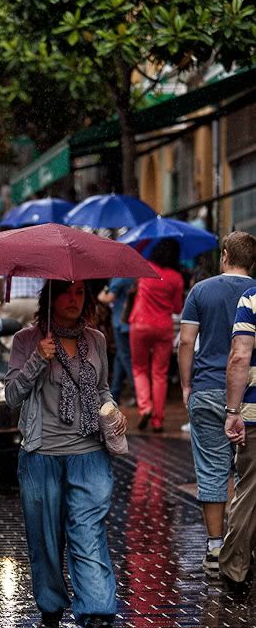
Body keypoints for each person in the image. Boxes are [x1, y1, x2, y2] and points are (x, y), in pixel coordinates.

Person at [5, 280, 126, 628]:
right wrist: (38, 359)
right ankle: (51, 606)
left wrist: (112, 409)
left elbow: (102, 389)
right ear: (51, 298)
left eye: (79, 294)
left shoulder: (96, 340)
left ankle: (97, 614)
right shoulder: (27, 341)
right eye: (65, 293)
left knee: (88, 532)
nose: (73, 300)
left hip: (89, 453)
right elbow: (12, 396)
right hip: (42, 455)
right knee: (45, 538)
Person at [178, 231, 256, 576]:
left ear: (224, 254)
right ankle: (242, 546)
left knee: (212, 469)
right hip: (250, 392)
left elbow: (185, 340)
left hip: (208, 387)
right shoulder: (253, 294)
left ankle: (214, 547)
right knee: (247, 473)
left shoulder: (201, 291)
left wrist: (185, 384)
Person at [219, 283, 256, 585]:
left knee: (249, 490)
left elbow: (240, 356)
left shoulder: (252, 298)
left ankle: (235, 569)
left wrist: (233, 411)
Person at [129, 239, 184, 432]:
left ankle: (146, 407)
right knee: (160, 373)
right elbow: (177, 308)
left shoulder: (146, 269)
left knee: (139, 368)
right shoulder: (176, 278)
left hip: (140, 323)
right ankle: (158, 420)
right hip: (163, 327)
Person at [98, 278, 136, 405]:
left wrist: (102, 292)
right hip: (130, 323)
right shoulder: (133, 276)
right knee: (120, 358)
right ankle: (115, 392)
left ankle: (138, 392)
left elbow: (107, 298)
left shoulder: (119, 278)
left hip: (120, 323)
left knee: (126, 358)